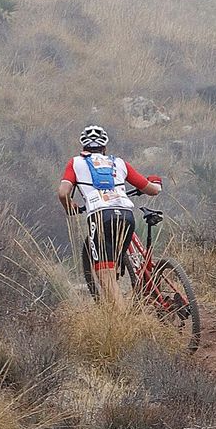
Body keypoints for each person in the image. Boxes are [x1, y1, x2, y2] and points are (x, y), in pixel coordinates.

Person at [58, 124, 163, 302]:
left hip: (100, 216)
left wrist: (70, 208)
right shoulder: (119, 163)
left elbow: (63, 193)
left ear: (83, 147)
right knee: (116, 258)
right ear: (105, 147)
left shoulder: (75, 163)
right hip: (126, 214)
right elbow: (152, 190)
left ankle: (122, 323)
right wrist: (156, 182)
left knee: (105, 273)